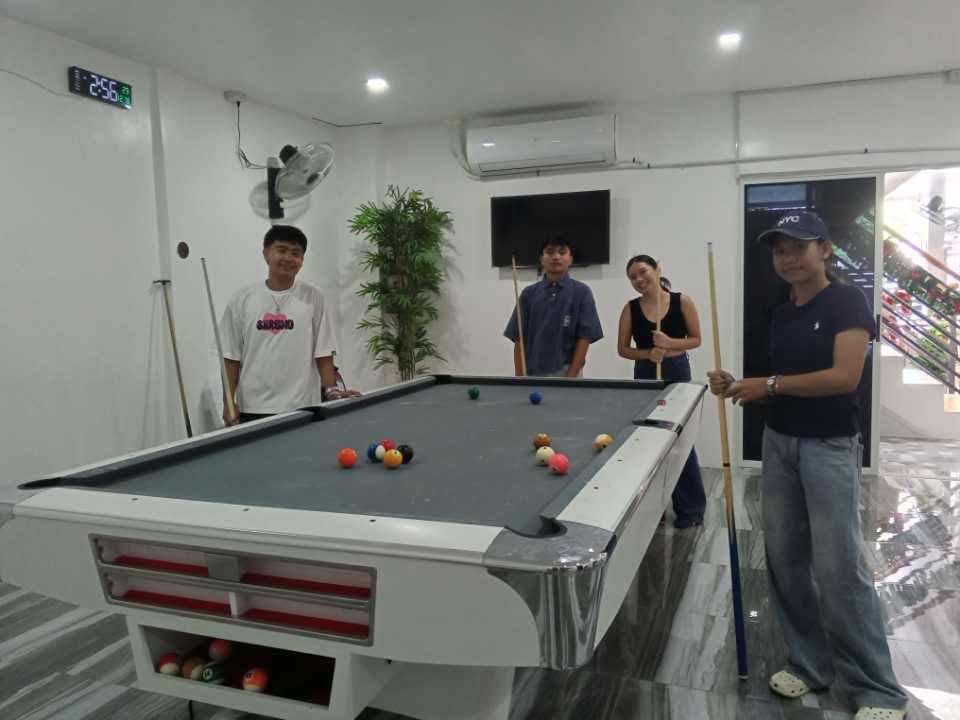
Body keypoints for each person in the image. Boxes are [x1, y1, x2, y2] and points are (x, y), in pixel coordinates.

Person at [708, 211, 906, 720]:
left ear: (826, 249)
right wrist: (738, 386)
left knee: (839, 566)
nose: (788, 257)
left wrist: (768, 385)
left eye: (798, 246)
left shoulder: (847, 301)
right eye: (779, 250)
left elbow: (843, 377)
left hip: (829, 447)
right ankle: (808, 664)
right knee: (785, 558)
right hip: (780, 443)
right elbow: (781, 381)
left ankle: (877, 690)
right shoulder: (782, 309)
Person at [221, 225, 359, 425]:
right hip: (254, 407)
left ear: (302, 260)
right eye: (282, 250)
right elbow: (232, 356)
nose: (288, 258)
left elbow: (323, 351)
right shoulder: (242, 300)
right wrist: (228, 401)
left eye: (296, 253)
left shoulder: (313, 297)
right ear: (266, 254)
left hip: (303, 406)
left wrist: (332, 390)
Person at [617, 255, 706, 528]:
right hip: (645, 373)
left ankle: (691, 509)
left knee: (680, 441)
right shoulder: (630, 309)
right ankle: (653, 512)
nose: (639, 279)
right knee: (647, 443)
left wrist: (669, 343)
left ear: (657, 270)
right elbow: (623, 349)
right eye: (632, 277)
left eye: (643, 272)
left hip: (677, 371)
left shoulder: (682, 302)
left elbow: (696, 340)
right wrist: (648, 352)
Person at [504, 236, 604, 377]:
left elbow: (585, 338)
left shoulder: (581, 292)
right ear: (541, 259)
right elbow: (519, 337)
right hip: (532, 372)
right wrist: (520, 376)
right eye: (550, 252)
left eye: (562, 252)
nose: (556, 257)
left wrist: (571, 377)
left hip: (567, 371)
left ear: (571, 259)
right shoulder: (529, 293)